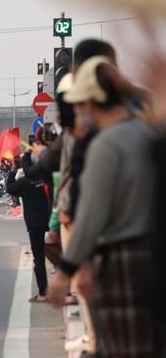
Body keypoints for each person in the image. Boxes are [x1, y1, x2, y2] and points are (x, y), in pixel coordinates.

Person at [47, 56, 157, 357]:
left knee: (121, 347)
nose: (80, 112)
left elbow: (92, 215)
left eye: (81, 104)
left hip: (120, 259)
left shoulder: (106, 146)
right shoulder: (146, 133)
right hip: (152, 254)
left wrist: (65, 271)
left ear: (92, 102)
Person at [6, 156, 51, 303]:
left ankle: (43, 293)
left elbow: (10, 188)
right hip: (52, 223)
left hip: (35, 227)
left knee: (39, 259)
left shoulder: (25, 183)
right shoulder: (47, 177)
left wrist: (13, 170)